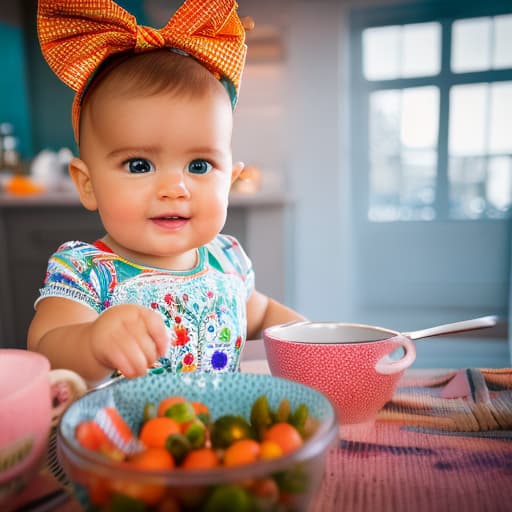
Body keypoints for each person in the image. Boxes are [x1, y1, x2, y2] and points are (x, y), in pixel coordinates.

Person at [28, 0, 304, 386]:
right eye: (139, 165)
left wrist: (307, 335)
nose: (174, 189)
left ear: (230, 179)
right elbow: (47, 345)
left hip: (218, 441)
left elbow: (260, 314)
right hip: (121, 443)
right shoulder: (88, 272)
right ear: (87, 184)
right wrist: (92, 342)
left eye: (199, 166)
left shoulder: (227, 262)